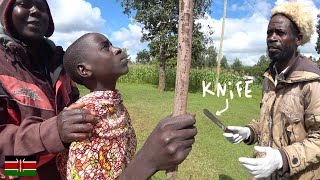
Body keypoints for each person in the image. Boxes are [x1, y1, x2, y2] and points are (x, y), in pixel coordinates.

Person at [0, 0, 197, 179]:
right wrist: (53, 134)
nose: (35, 10)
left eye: (42, 6)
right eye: (23, 3)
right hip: (15, 169)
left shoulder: (58, 66)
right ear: (5, 11)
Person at [223, 2, 320, 179]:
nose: (272, 38)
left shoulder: (313, 82)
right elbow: (269, 120)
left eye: (280, 33)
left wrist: (281, 158)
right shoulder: (269, 78)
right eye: (269, 32)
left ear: (298, 39)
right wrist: (248, 132)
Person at [56, 32, 137, 180]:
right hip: (19, 169)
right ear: (84, 70)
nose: (117, 49)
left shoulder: (115, 105)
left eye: (111, 44)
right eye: (105, 47)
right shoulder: (86, 116)